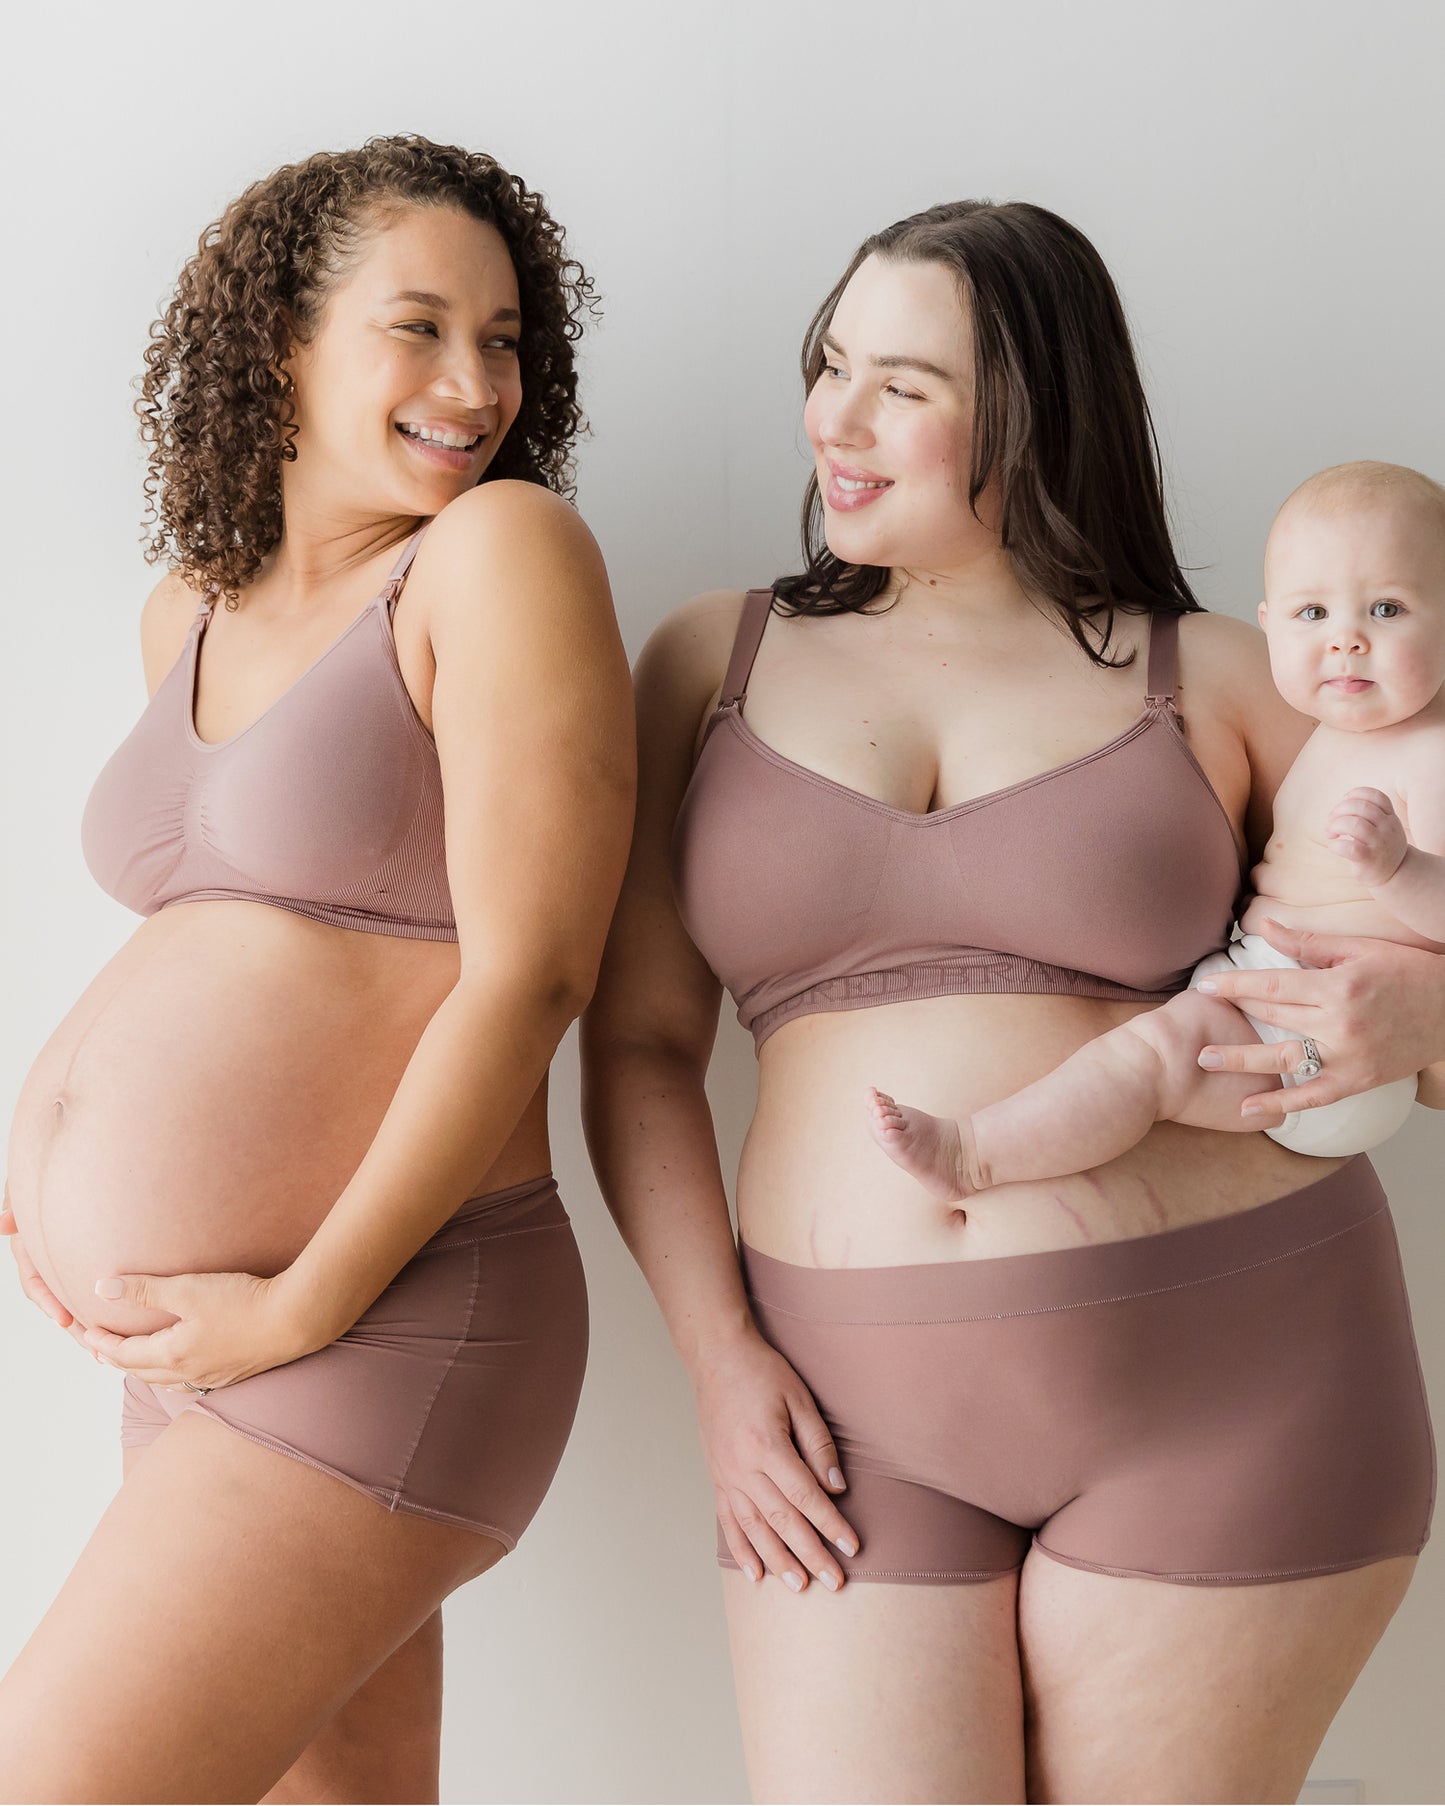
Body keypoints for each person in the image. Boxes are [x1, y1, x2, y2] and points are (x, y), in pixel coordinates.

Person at [581, 201, 1437, 1803]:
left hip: (1241, 1385)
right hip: (843, 1429)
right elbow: (636, 1049)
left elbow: (1421, 959)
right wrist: (717, 1365)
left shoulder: (1235, 676)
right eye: (829, 363)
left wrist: (1421, 1030)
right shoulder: (712, 663)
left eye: (900, 382)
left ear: (1031, 410)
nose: (835, 417)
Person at [0, 134, 633, 1804]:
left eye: (503, 338)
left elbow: (534, 976)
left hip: (384, 1315)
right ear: (281, 339)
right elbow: (218, 950)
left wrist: (301, 1300)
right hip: (221, 1342)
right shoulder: (186, 614)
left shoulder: (498, 556)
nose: (472, 381)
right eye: (418, 327)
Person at [867, 459, 1445, 1199]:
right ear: (1268, 625)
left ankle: (974, 1155)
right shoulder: (1330, 730)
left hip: (1325, 1041)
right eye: (1312, 615)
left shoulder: (1430, 755)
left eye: (1387, 609)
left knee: (1148, 1063)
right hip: (1268, 992)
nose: (1346, 641)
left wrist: (1397, 870)